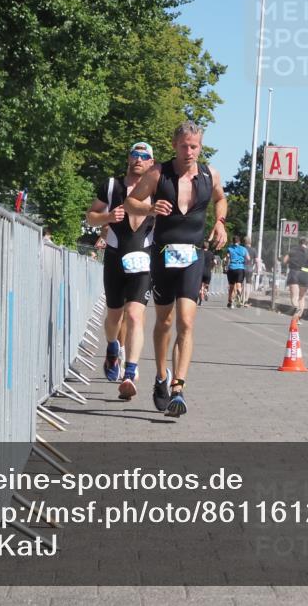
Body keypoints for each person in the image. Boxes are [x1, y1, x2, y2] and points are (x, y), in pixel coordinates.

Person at [125, 122, 228, 417]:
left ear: (200, 146)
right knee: (165, 323)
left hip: (193, 256)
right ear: (174, 145)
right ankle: (161, 376)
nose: (189, 152)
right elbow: (131, 201)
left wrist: (220, 223)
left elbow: (221, 199)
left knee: (186, 321)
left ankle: (178, 389)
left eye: (194, 146)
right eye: (184, 146)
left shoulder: (210, 174)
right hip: (162, 255)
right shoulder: (158, 173)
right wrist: (149, 209)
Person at [85, 142, 155, 398]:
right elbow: (90, 216)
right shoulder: (112, 186)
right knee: (114, 317)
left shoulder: (158, 191)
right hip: (115, 258)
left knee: (135, 315)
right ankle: (113, 347)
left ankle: (130, 372)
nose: (138, 159)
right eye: (135, 155)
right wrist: (106, 218)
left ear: (150, 163)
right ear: (128, 158)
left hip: (143, 260)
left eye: (144, 156)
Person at [282, 237, 308, 319]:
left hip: (294, 273)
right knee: (302, 297)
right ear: (307, 243)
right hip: (306, 274)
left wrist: (290, 262)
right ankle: (298, 318)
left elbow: (284, 261)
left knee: (294, 297)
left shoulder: (293, 250)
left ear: (299, 243)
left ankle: (296, 307)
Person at [224, 235, 249, 308]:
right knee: (239, 285)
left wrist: (226, 266)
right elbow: (248, 258)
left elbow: (227, 258)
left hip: (232, 268)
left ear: (233, 241)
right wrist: (244, 262)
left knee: (231, 286)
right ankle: (239, 294)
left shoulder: (229, 248)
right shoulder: (243, 249)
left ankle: (230, 301)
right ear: (239, 241)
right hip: (240, 268)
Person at [199, 240, 216, 305]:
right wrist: (212, 267)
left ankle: (200, 297)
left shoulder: (199, 253)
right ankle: (206, 292)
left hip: (200, 271)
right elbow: (215, 262)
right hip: (208, 272)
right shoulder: (211, 253)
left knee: (200, 286)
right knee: (206, 285)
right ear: (208, 247)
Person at [242, 236, 257, 306]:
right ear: (250, 242)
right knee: (248, 284)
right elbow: (257, 261)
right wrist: (257, 268)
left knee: (241, 283)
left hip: (242, 267)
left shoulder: (242, 249)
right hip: (250, 268)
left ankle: (241, 298)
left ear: (244, 242)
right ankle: (246, 301)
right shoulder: (254, 250)